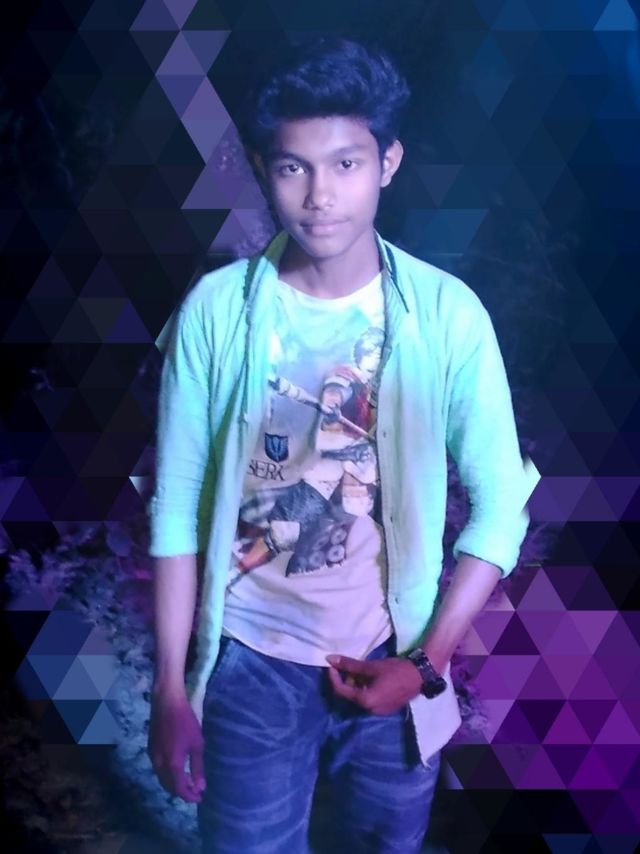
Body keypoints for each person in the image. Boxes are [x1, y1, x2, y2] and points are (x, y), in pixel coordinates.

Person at [146, 37, 537, 854]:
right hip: (250, 660)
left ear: (388, 162)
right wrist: (171, 691)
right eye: (294, 167)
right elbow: (176, 509)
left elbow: (502, 505)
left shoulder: (448, 315)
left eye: (347, 164)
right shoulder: (215, 312)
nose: (320, 196)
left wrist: (425, 664)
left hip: (394, 656)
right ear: (263, 169)